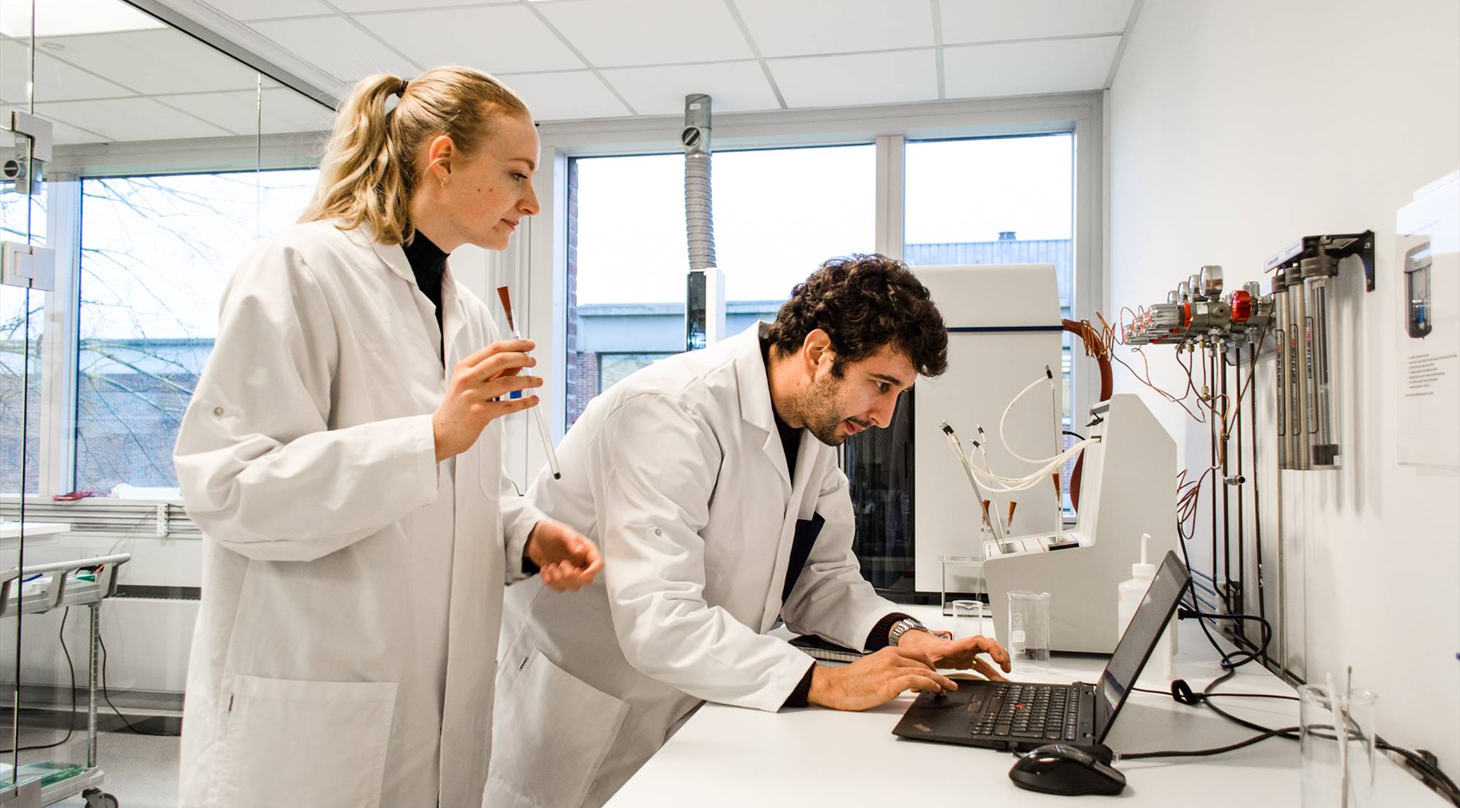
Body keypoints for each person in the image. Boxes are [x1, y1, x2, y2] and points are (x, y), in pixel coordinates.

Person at [173, 67, 602, 808]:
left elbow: (463, 495)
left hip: (435, 714)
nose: (531, 202)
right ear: (442, 158)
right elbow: (232, 488)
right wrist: (430, 438)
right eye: (516, 175)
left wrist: (525, 533)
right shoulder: (300, 268)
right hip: (316, 715)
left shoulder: (465, 310)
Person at [486, 255, 1012, 808]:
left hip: (693, 705)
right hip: (582, 702)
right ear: (817, 352)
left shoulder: (814, 435)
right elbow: (659, 620)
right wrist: (826, 682)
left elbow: (824, 580)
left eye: (898, 394)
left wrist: (907, 635)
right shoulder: (669, 412)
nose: (884, 415)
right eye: (880, 385)